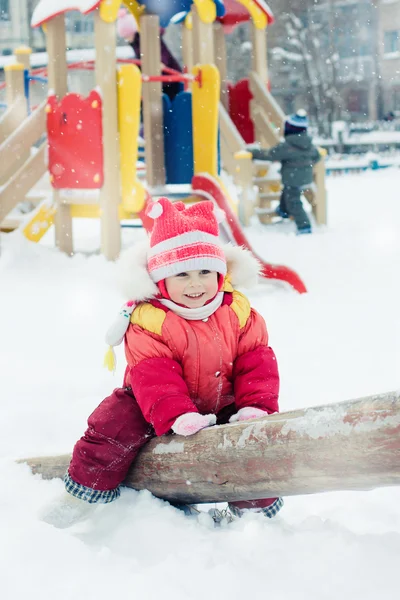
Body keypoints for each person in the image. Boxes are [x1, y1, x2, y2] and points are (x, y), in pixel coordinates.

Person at [43, 198, 283, 528]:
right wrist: (177, 412)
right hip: (151, 402)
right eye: (181, 274)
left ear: (221, 274)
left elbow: (255, 361)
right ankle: (83, 491)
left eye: (205, 272)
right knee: (111, 425)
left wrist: (256, 405)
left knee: (252, 441)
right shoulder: (150, 319)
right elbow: (153, 373)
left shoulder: (238, 312)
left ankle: (254, 510)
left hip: (222, 398)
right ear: (160, 280)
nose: (196, 284)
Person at [248, 109, 321, 234]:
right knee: (287, 193)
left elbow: (270, 154)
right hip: (305, 177)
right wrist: (305, 163)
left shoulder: (287, 146)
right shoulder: (309, 145)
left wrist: (253, 153)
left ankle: (304, 226)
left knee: (294, 202)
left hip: (292, 179)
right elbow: (317, 156)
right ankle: (283, 210)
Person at [117, 7, 183, 102]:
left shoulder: (144, 40)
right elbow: (142, 59)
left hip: (168, 76)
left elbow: (159, 51)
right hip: (161, 79)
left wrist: (160, 62)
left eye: (127, 36)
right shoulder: (136, 43)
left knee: (167, 100)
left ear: (133, 32)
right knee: (158, 99)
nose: (126, 39)